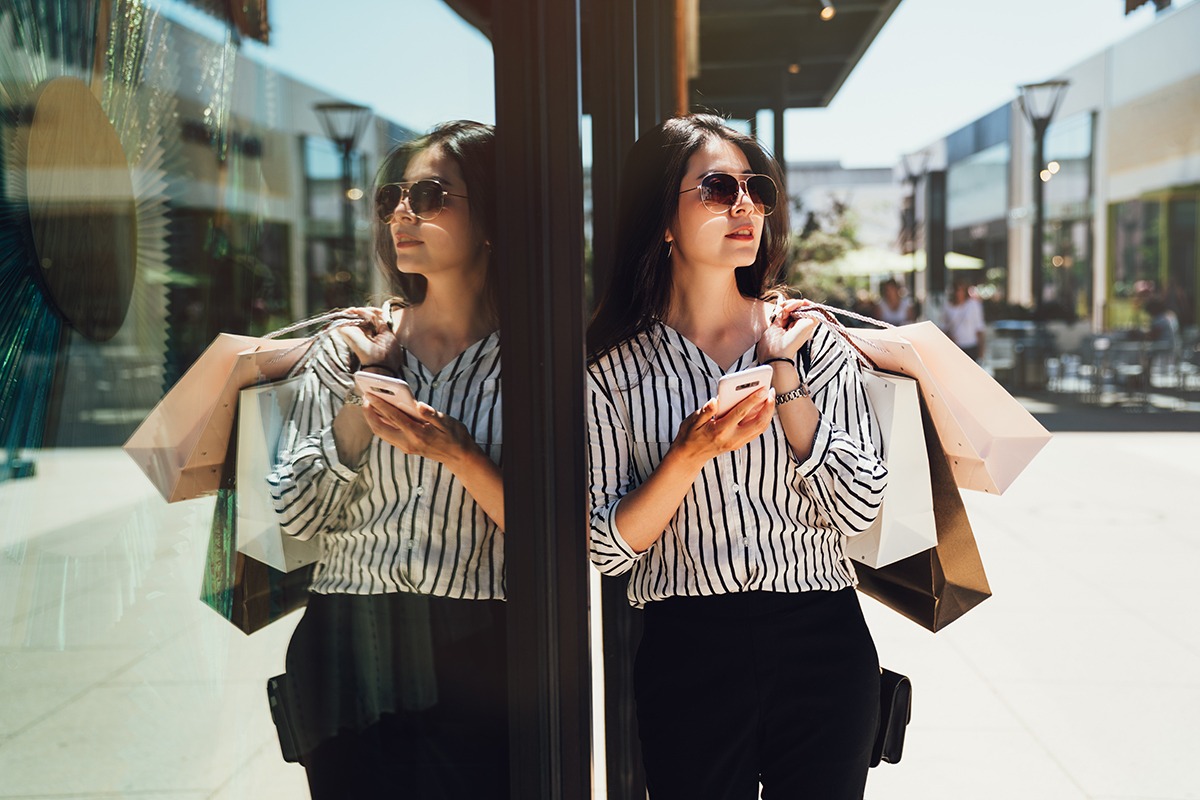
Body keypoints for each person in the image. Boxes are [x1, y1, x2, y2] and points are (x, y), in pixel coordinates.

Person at [586, 114, 888, 799]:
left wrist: (785, 379)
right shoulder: (611, 371)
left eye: (756, 188)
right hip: (688, 648)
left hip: (822, 635)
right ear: (663, 219)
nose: (746, 205)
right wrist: (686, 456)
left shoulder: (811, 341)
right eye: (718, 188)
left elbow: (859, 505)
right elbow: (606, 549)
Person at [267, 121, 507, 799]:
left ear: (490, 216)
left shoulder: (532, 360)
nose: (403, 213)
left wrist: (457, 451)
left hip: (477, 646)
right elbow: (295, 513)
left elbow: (554, 532)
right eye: (392, 199)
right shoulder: (348, 347)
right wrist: (358, 407)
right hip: (345, 640)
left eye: (432, 195)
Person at [943, 277, 986, 361]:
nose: (958, 293)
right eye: (957, 290)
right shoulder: (947, 307)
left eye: (961, 290)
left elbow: (979, 327)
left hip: (971, 346)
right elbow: (944, 327)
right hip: (955, 346)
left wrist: (981, 350)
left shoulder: (973, 305)